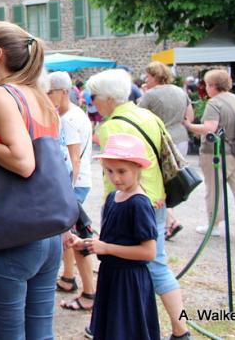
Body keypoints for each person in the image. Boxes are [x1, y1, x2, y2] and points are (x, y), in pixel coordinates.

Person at [0, 21, 62, 339]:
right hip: (46, 234)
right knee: (40, 334)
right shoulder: (39, 96)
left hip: (8, 236)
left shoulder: (2, 95)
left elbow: (23, 162)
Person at [86, 68, 191, 339]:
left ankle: (177, 329)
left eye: (94, 95)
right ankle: (178, 328)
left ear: (109, 98)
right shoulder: (148, 115)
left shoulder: (111, 126)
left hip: (131, 202)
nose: (92, 100)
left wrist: (114, 207)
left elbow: (116, 176)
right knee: (158, 266)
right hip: (156, 198)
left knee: (148, 264)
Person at [71, 133, 160, 340]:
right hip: (110, 276)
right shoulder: (113, 197)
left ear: (138, 168)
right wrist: (83, 243)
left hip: (130, 282)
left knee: (126, 331)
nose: (115, 177)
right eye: (109, 171)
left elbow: (149, 252)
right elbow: (111, 240)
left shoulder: (139, 203)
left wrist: (107, 248)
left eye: (122, 171)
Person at [183, 69, 235, 241]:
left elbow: (210, 127)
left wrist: (190, 126)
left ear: (212, 85)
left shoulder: (214, 103)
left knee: (215, 190)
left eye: (207, 85)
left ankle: (214, 225)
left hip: (218, 153)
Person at [47, 71, 95, 312]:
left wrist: (67, 193)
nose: (47, 96)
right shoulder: (69, 114)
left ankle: (89, 292)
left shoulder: (70, 119)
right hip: (74, 183)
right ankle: (68, 278)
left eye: (50, 92)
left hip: (74, 185)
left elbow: (73, 160)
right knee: (65, 233)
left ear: (63, 92)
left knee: (76, 237)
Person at [139, 61, 194, 240]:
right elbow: (190, 117)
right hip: (181, 138)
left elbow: (138, 116)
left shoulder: (150, 95)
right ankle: (169, 219)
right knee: (170, 181)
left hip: (161, 140)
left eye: (148, 76)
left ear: (154, 76)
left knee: (158, 183)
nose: (147, 79)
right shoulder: (180, 91)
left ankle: (169, 221)